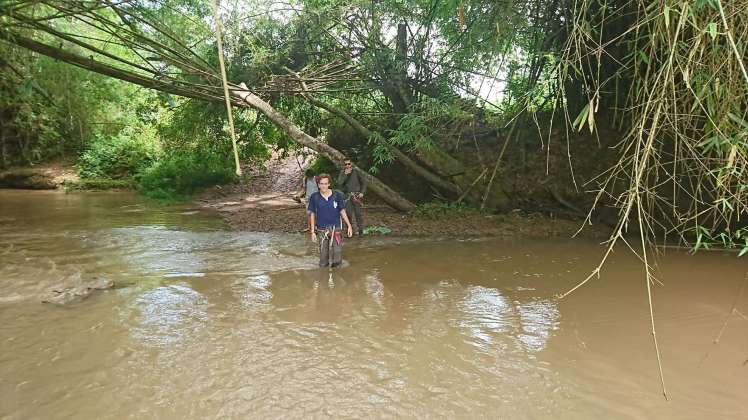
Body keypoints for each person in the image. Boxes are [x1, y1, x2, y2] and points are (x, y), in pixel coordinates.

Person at [308, 173, 353, 267]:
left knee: (337, 255)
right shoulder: (314, 197)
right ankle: (323, 278)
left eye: (325, 183)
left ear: (329, 184)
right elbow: (312, 214)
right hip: (321, 230)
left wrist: (349, 225)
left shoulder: (337, 195)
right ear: (318, 185)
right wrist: (312, 232)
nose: (323, 186)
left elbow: (342, 211)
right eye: (321, 184)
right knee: (323, 260)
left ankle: (337, 276)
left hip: (336, 229)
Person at [336, 159, 367, 236]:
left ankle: (361, 231)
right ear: (343, 165)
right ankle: (349, 231)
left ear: (351, 164)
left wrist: (362, 192)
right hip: (347, 196)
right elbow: (339, 183)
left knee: (358, 214)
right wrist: (345, 175)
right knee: (348, 214)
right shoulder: (342, 173)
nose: (347, 166)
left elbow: (364, 183)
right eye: (345, 164)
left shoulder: (356, 172)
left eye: (348, 164)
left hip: (356, 196)